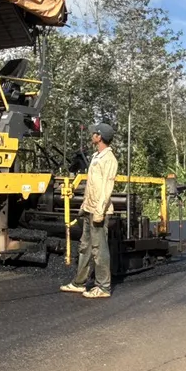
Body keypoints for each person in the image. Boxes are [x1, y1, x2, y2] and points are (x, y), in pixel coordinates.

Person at [60, 123, 118, 298]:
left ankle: (104, 287)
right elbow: (91, 186)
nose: (92, 135)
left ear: (99, 137)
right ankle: (79, 282)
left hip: (99, 211)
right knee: (85, 247)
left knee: (99, 249)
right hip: (89, 208)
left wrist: (99, 211)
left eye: (94, 133)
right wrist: (84, 206)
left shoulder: (109, 160)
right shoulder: (95, 157)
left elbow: (107, 187)